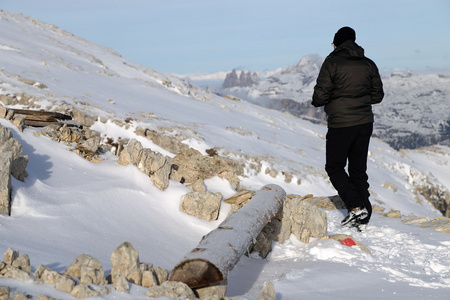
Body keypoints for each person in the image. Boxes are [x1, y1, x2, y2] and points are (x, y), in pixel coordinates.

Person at [312, 26, 384, 227]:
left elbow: (319, 97)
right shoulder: (369, 64)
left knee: (334, 166)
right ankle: (364, 213)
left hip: (341, 124)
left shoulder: (331, 62)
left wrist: (335, 98)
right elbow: (378, 97)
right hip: (364, 123)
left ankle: (356, 205)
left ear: (336, 44)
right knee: (358, 170)